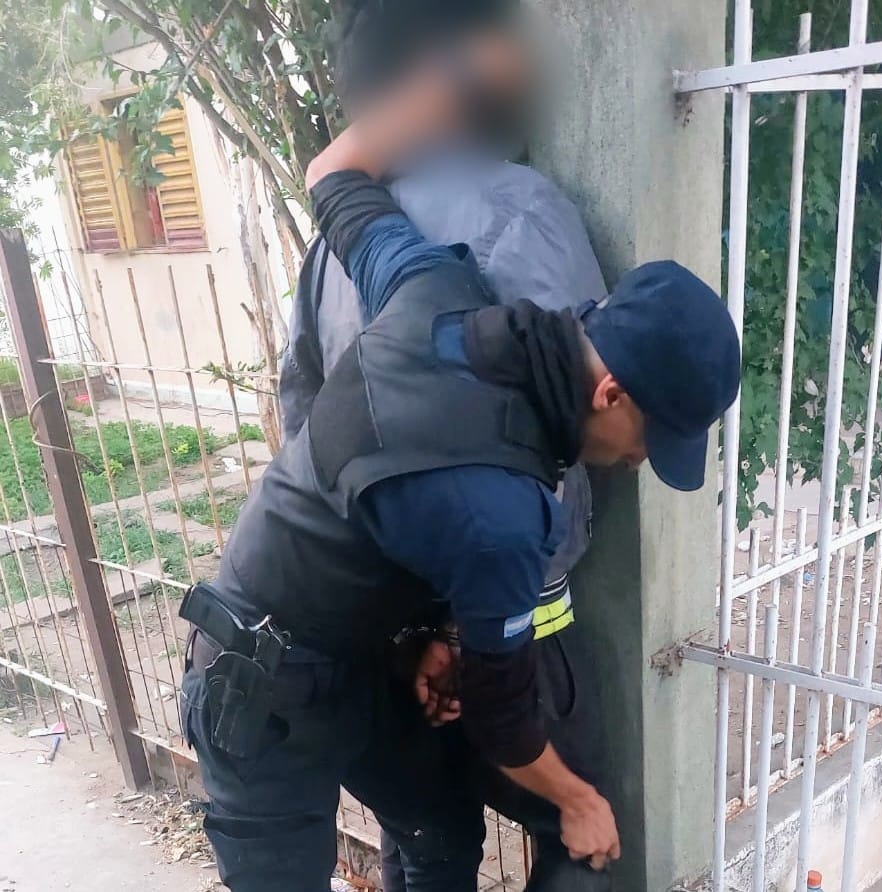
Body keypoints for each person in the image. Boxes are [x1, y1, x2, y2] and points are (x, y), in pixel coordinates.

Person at [179, 35, 741, 892]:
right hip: (261, 686)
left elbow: (334, 171)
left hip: (364, 656)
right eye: (649, 441)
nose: (637, 463)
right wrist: (578, 802)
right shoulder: (505, 510)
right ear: (610, 393)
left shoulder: (433, 289)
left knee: (438, 835)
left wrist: (464, 75)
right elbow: (507, 722)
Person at [280, 4, 614, 887]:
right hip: (519, 617)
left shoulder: (330, 244)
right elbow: (581, 426)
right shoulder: (521, 207)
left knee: (424, 839)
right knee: (579, 829)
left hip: (392, 633)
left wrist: (409, 629)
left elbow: (302, 423)